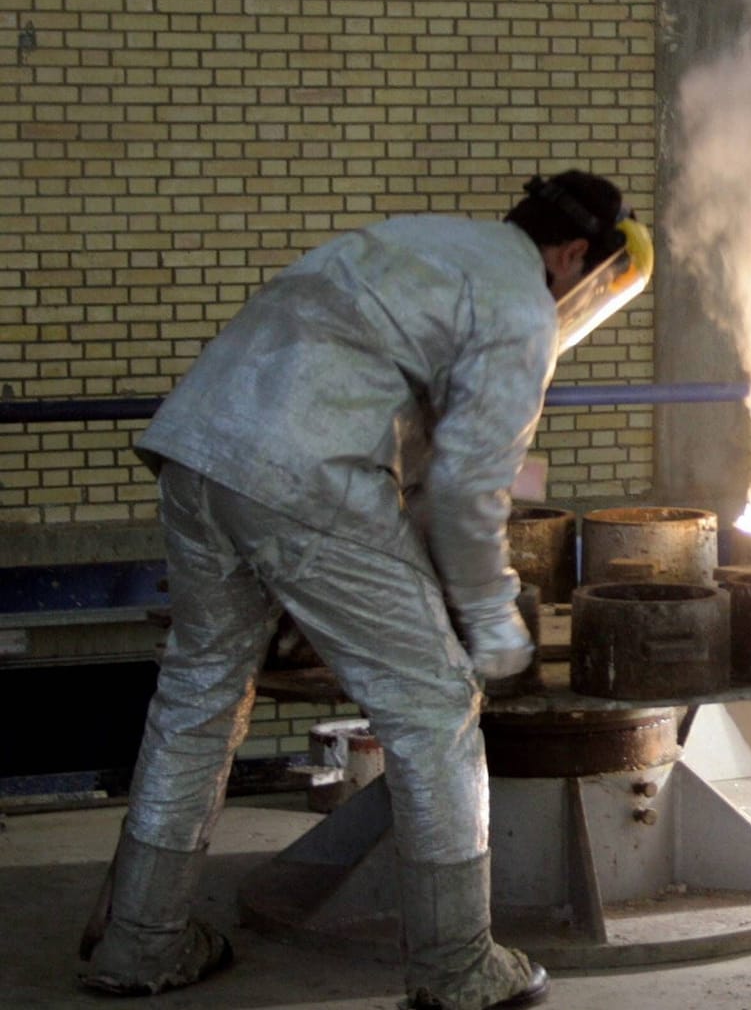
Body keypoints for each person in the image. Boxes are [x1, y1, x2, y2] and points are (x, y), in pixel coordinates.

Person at [79, 171, 634, 1009]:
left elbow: (408, 449)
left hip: (198, 452)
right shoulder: (520, 302)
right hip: (302, 476)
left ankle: (140, 941)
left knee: (198, 696)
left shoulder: (421, 241)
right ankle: (456, 968)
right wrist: (492, 620)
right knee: (435, 704)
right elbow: (469, 487)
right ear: (574, 256)